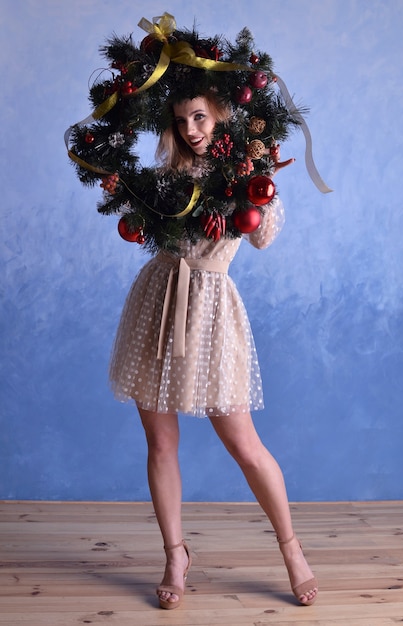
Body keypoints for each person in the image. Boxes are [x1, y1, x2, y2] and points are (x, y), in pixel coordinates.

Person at [108, 90, 318, 610]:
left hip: (211, 309)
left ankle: (291, 549)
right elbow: (139, 228)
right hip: (159, 302)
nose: (191, 129)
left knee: (245, 444)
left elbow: (265, 236)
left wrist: (260, 174)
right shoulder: (168, 176)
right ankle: (175, 553)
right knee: (160, 442)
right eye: (181, 121)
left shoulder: (244, 173)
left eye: (199, 117)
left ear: (221, 115)